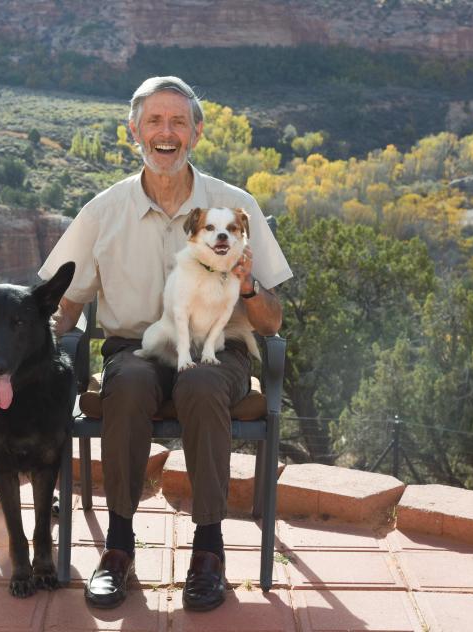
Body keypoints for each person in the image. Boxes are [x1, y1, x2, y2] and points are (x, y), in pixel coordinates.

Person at [39, 76, 292, 611]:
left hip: (216, 350)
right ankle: (119, 547)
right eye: (154, 121)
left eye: (178, 121)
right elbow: (63, 304)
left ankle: (208, 550)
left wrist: (245, 284)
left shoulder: (234, 207)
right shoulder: (103, 211)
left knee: (200, 382)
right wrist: (22, 349)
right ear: (134, 131)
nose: (166, 132)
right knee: (126, 384)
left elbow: (272, 324)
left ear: (196, 133)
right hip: (136, 347)